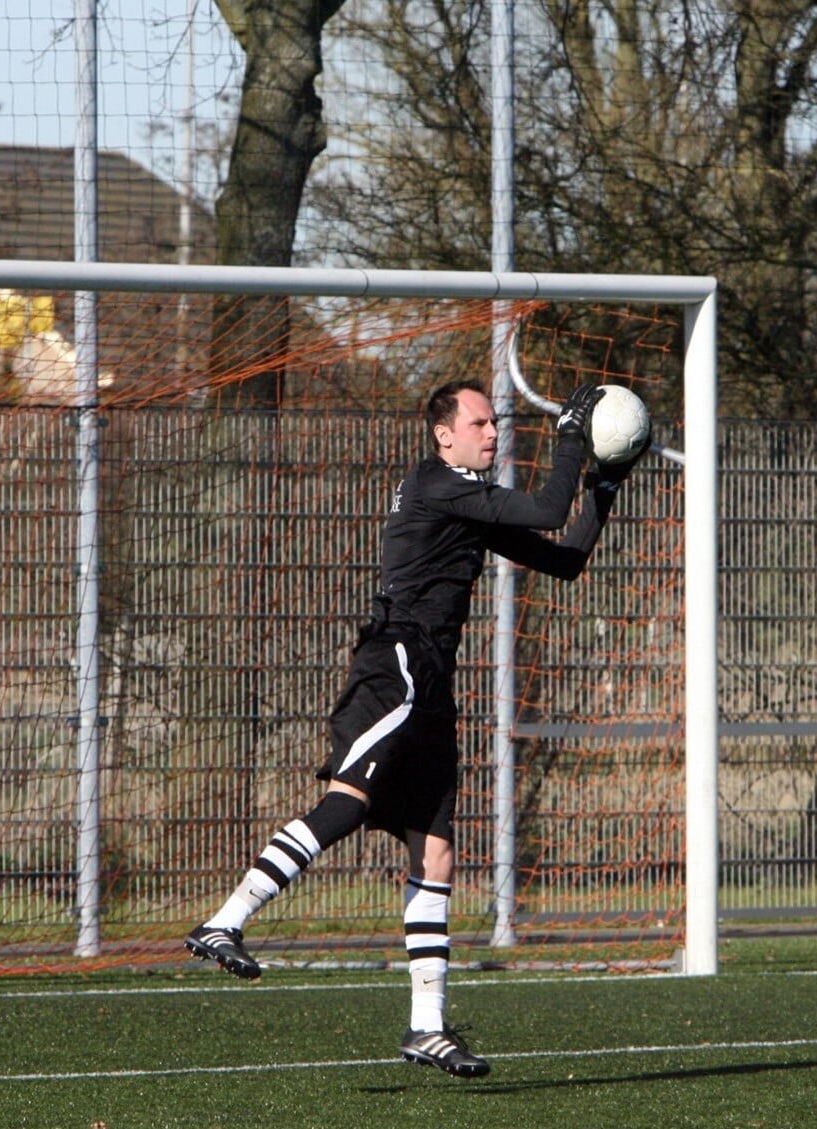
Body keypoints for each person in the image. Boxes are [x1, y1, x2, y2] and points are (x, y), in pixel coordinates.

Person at [184, 379, 642, 1079]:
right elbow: (551, 505)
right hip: (393, 663)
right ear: (443, 433)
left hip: (430, 682)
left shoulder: (470, 500)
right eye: (480, 422)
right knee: (348, 800)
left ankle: (426, 1026)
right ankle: (226, 919)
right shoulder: (438, 483)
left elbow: (567, 557)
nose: (493, 433)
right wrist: (575, 439)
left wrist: (605, 485)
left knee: (434, 854)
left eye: (495, 422)